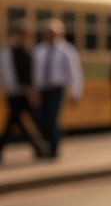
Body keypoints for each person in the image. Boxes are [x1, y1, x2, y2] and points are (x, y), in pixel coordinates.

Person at [32, 19, 83, 159]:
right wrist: (34, 90)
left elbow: (74, 72)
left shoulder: (66, 50)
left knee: (53, 119)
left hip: (57, 89)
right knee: (41, 119)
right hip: (43, 90)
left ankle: (53, 149)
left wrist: (75, 92)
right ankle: (45, 146)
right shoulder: (39, 50)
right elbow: (36, 73)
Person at [0, 20, 47, 160]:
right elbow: (7, 73)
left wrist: (34, 90)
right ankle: (39, 147)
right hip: (15, 92)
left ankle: (39, 147)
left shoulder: (30, 51)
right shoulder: (7, 51)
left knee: (17, 120)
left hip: (28, 92)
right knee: (16, 120)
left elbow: (34, 73)